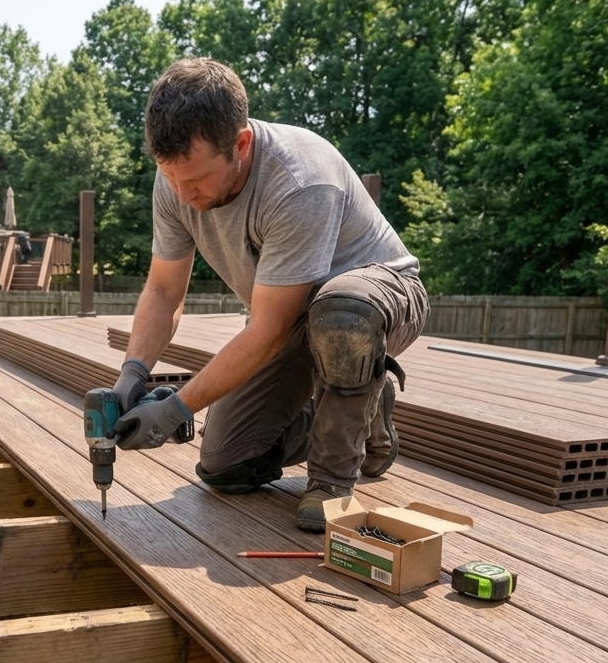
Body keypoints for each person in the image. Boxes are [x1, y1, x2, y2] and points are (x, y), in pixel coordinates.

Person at [111, 58, 428, 532]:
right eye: (171, 177)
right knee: (226, 464)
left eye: (195, 180)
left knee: (342, 317)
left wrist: (175, 409)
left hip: (378, 301)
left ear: (241, 144)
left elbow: (268, 329)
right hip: (294, 316)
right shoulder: (176, 179)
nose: (183, 193)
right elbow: (162, 289)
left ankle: (332, 480)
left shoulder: (299, 181)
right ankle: (364, 405)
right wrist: (132, 374)